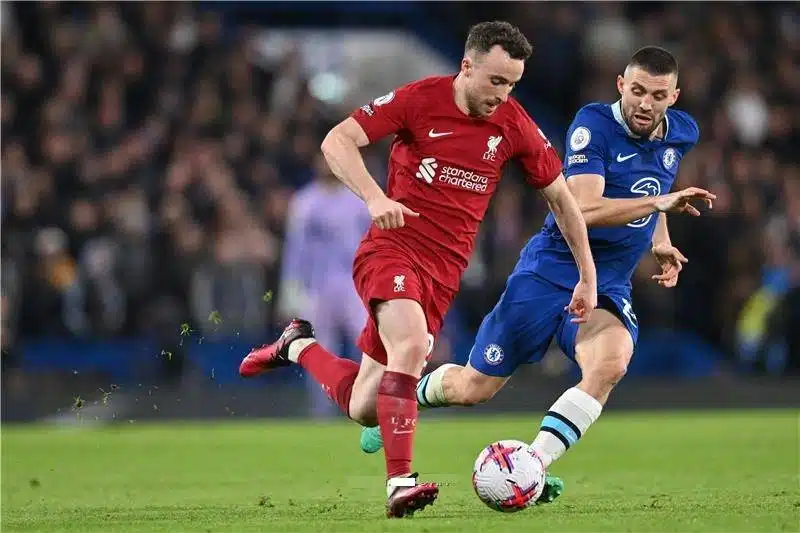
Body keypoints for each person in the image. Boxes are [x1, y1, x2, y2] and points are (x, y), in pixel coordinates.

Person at [239, 21, 597, 518]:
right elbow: (337, 141)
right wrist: (374, 197)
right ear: (466, 66)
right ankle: (399, 483)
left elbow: (562, 199)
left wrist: (587, 276)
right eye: (496, 80)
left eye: (512, 84)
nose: (503, 94)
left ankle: (296, 345)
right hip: (391, 251)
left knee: (364, 406)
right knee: (409, 346)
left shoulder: (513, 123)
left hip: (440, 276)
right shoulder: (420, 99)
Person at [358, 46, 717, 498]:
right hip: (549, 271)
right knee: (474, 387)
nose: (645, 104)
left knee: (609, 365)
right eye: (638, 91)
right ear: (621, 86)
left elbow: (657, 188)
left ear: (674, 97)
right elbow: (584, 209)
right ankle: (406, 400)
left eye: (658, 96)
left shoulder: (682, 132)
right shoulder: (593, 125)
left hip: (608, 282)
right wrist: (658, 205)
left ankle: (531, 465)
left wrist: (659, 238)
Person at [276, 153, 372, 417]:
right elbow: (294, 251)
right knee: (320, 350)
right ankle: (322, 412)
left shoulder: (358, 199)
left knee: (368, 345)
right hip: (316, 287)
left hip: (354, 286)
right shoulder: (304, 202)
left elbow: (372, 243)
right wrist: (290, 292)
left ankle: (367, 405)